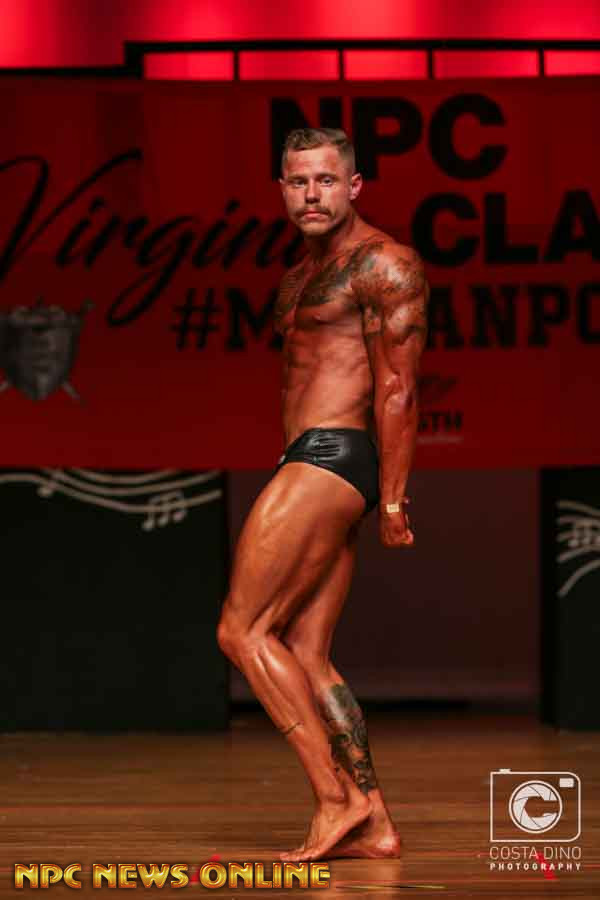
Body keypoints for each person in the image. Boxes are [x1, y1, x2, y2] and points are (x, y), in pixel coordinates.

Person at [217, 127, 428, 862]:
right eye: (299, 181)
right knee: (307, 652)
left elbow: (398, 388)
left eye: (327, 180)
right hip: (313, 457)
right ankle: (375, 822)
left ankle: (336, 799)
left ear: (354, 186)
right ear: (282, 189)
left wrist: (394, 500)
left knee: (241, 632)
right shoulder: (298, 277)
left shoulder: (385, 263)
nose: (312, 194)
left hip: (333, 457)